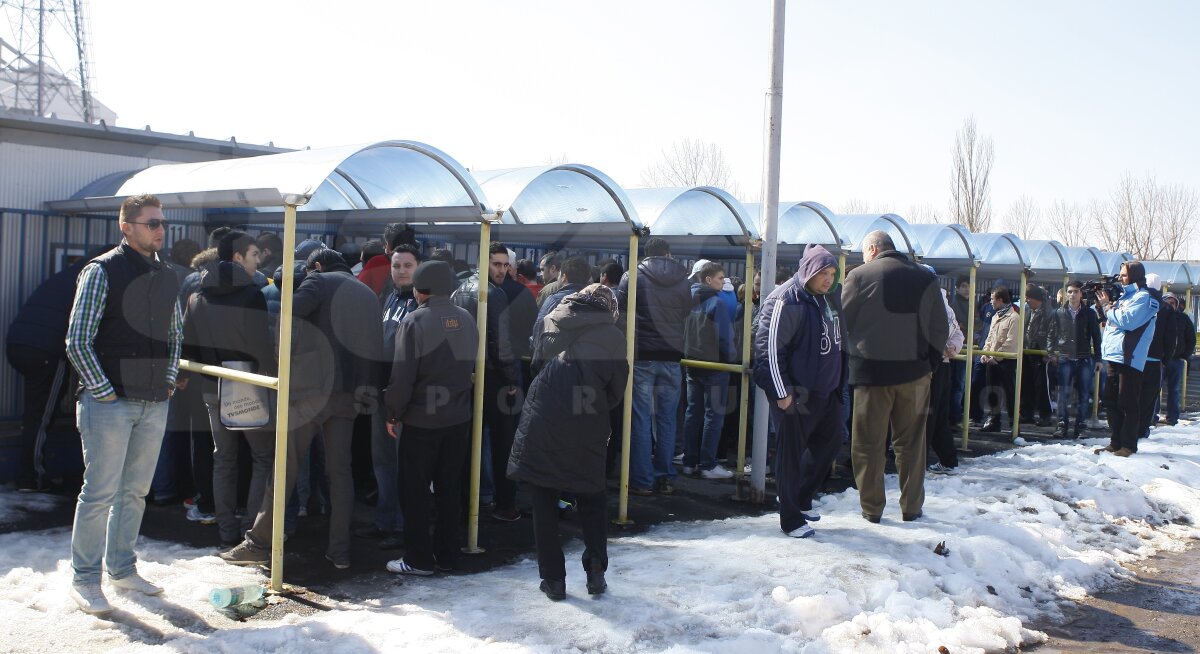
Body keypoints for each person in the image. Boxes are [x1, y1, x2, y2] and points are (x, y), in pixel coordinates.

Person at [222, 248, 383, 569]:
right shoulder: (367, 295)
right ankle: (340, 550)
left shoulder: (317, 282)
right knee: (340, 472)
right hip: (349, 394)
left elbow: (287, 321)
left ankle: (258, 543)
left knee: (285, 467)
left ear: (317, 266)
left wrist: (286, 364)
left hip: (309, 393)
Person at [65, 194, 182, 614]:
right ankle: (84, 579)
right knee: (99, 494)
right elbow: (77, 339)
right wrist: (104, 391)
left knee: (134, 492)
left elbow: (175, 335)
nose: (160, 229)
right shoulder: (101, 271)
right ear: (126, 226)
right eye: (151, 222)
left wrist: (168, 382)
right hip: (109, 404)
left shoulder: (168, 275)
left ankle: (122, 569)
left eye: (162, 222)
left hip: (153, 401)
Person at [508, 283, 628, 600]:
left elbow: (535, 365)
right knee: (592, 496)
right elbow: (616, 392)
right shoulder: (614, 337)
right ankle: (595, 572)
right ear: (609, 310)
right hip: (587, 421)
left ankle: (553, 581)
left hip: (543, 418)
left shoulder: (550, 319)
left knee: (544, 499)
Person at [842, 231, 947, 524]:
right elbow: (940, 327)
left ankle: (871, 508)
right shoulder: (926, 278)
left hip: (870, 375)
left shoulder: (860, 276)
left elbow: (842, 321)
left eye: (864, 253)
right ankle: (911, 507)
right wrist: (930, 365)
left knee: (867, 445)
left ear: (873, 249)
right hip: (915, 374)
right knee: (912, 444)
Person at [383, 261, 478, 576]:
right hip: (458, 419)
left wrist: (393, 413)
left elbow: (402, 378)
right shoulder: (466, 319)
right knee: (450, 489)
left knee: (416, 490)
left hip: (422, 421)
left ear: (419, 289)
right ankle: (449, 555)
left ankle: (419, 559)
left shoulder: (414, 321)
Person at [182, 230, 276, 546]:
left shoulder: (196, 297)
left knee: (223, 458)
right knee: (262, 456)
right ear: (238, 259)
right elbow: (261, 345)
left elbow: (187, 346)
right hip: (247, 383)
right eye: (253, 256)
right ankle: (251, 529)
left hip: (211, 384)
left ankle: (226, 532)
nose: (258, 261)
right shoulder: (252, 296)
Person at [753, 245, 847, 537]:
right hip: (796, 392)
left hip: (827, 390)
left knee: (832, 442)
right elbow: (768, 350)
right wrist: (782, 392)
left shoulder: (828, 299)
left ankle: (800, 497)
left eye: (832, 274)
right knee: (790, 454)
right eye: (823, 274)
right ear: (809, 271)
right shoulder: (786, 299)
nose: (828, 279)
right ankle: (790, 518)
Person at [6, 254, 97, 491]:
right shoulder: (92, 280)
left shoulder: (65, 275)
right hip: (46, 350)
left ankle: (30, 472)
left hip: (19, 343)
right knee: (41, 416)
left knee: (35, 412)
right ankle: (31, 476)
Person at [355, 245, 421, 550]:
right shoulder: (389, 296)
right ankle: (385, 520)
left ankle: (402, 525)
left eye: (408, 265)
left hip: (405, 400)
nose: (402, 270)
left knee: (401, 464)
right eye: (397, 265)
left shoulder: (421, 304)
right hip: (380, 394)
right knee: (382, 462)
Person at [617, 237, 694, 495]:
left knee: (639, 418)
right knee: (667, 418)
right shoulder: (683, 280)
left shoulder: (632, 276)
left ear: (644, 254)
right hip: (672, 356)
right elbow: (685, 311)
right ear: (668, 254)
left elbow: (620, 312)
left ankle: (641, 480)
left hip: (641, 355)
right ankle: (665, 477)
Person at [451, 243, 522, 521]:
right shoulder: (495, 294)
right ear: (483, 263)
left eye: (505, 265)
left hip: (466, 374)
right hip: (493, 377)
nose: (502, 270)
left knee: (469, 443)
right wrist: (511, 379)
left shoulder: (460, 290)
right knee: (503, 443)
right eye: (496, 264)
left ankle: (468, 500)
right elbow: (499, 341)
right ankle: (506, 504)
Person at [1095, 261, 1157, 457]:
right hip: (1114, 355)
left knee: (1127, 402)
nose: (1120, 278)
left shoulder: (1145, 298)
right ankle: (1115, 442)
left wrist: (1108, 307)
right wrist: (1105, 307)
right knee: (1110, 401)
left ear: (1135, 275)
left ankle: (1129, 445)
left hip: (1130, 358)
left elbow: (1128, 322)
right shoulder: (1125, 297)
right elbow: (1112, 321)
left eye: (1124, 275)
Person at [682, 260, 736, 480]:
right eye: (721, 278)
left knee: (692, 413)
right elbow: (725, 338)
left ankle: (688, 461)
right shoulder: (717, 303)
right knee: (713, 416)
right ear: (708, 279)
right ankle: (708, 464)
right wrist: (731, 360)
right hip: (715, 366)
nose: (723, 282)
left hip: (691, 363)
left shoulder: (686, 300)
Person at [1045, 281, 1103, 439]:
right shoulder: (1059, 313)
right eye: (1069, 291)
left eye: (1075, 291)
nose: (1072, 294)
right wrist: (1051, 353)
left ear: (1081, 294)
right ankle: (1062, 425)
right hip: (1065, 357)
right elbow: (1051, 334)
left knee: (1084, 394)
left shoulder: (1089, 313)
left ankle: (1081, 426)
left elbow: (1096, 337)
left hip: (1084, 358)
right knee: (1063, 393)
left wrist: (1098, 358)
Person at [926, 270, 966, 474]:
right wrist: (953, 348)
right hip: (943, 363)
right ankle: (948, 459)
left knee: (925, 414)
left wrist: (945, 348)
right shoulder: (945, 302)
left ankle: (917, 462)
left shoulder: (931, 301)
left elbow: (932, 332)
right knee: (938, 415)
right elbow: (958, 332)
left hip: (930, 365)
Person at [1135, 274, 1176, 440]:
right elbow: (1171, 337)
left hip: (1136, 358)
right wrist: (1166, 359)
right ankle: (1143, 428)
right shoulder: (1166, 308)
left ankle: (1130, 427)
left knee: (1133, 394)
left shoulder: (1138, 303)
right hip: (1154, 359)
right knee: (1149, 398)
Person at [978, 286, 1020, 434]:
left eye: (992, 299)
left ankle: (1014, 425)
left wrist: (995, 356)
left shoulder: (1014, 318)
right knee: (992, 390)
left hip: (1007, 361)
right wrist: (986, 352)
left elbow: (1011, 342)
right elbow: (990, 337)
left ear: (1000, 300)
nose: (990, 302)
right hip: (992, 360)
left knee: (1009, 392)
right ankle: (994, 419)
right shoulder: (996, 316)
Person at [1019, 285, 1053, 427]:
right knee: (1026, 384)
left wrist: (1048, 352)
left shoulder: (1049, 313)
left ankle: (1045, 415)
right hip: (1026, 352)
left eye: (1029, 298)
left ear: (1036, 298)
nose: (1026, 300)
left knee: (1042, 386)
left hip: (1040, 353)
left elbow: (1052, 333)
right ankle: (1027, 413)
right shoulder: (1027, 311)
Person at [1161, 293, 1195, 426]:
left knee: (1174, 390)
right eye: (1167, 303)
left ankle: (1172, 417)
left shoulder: (1183, 319)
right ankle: (1152, 416)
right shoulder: (1158, 317)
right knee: (1154, 389)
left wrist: (1185, 355)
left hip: (1176, 360)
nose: (1170, 305)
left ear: (1177, 305)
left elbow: (1190, 339)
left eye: (1173, 303)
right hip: (1161, 360)